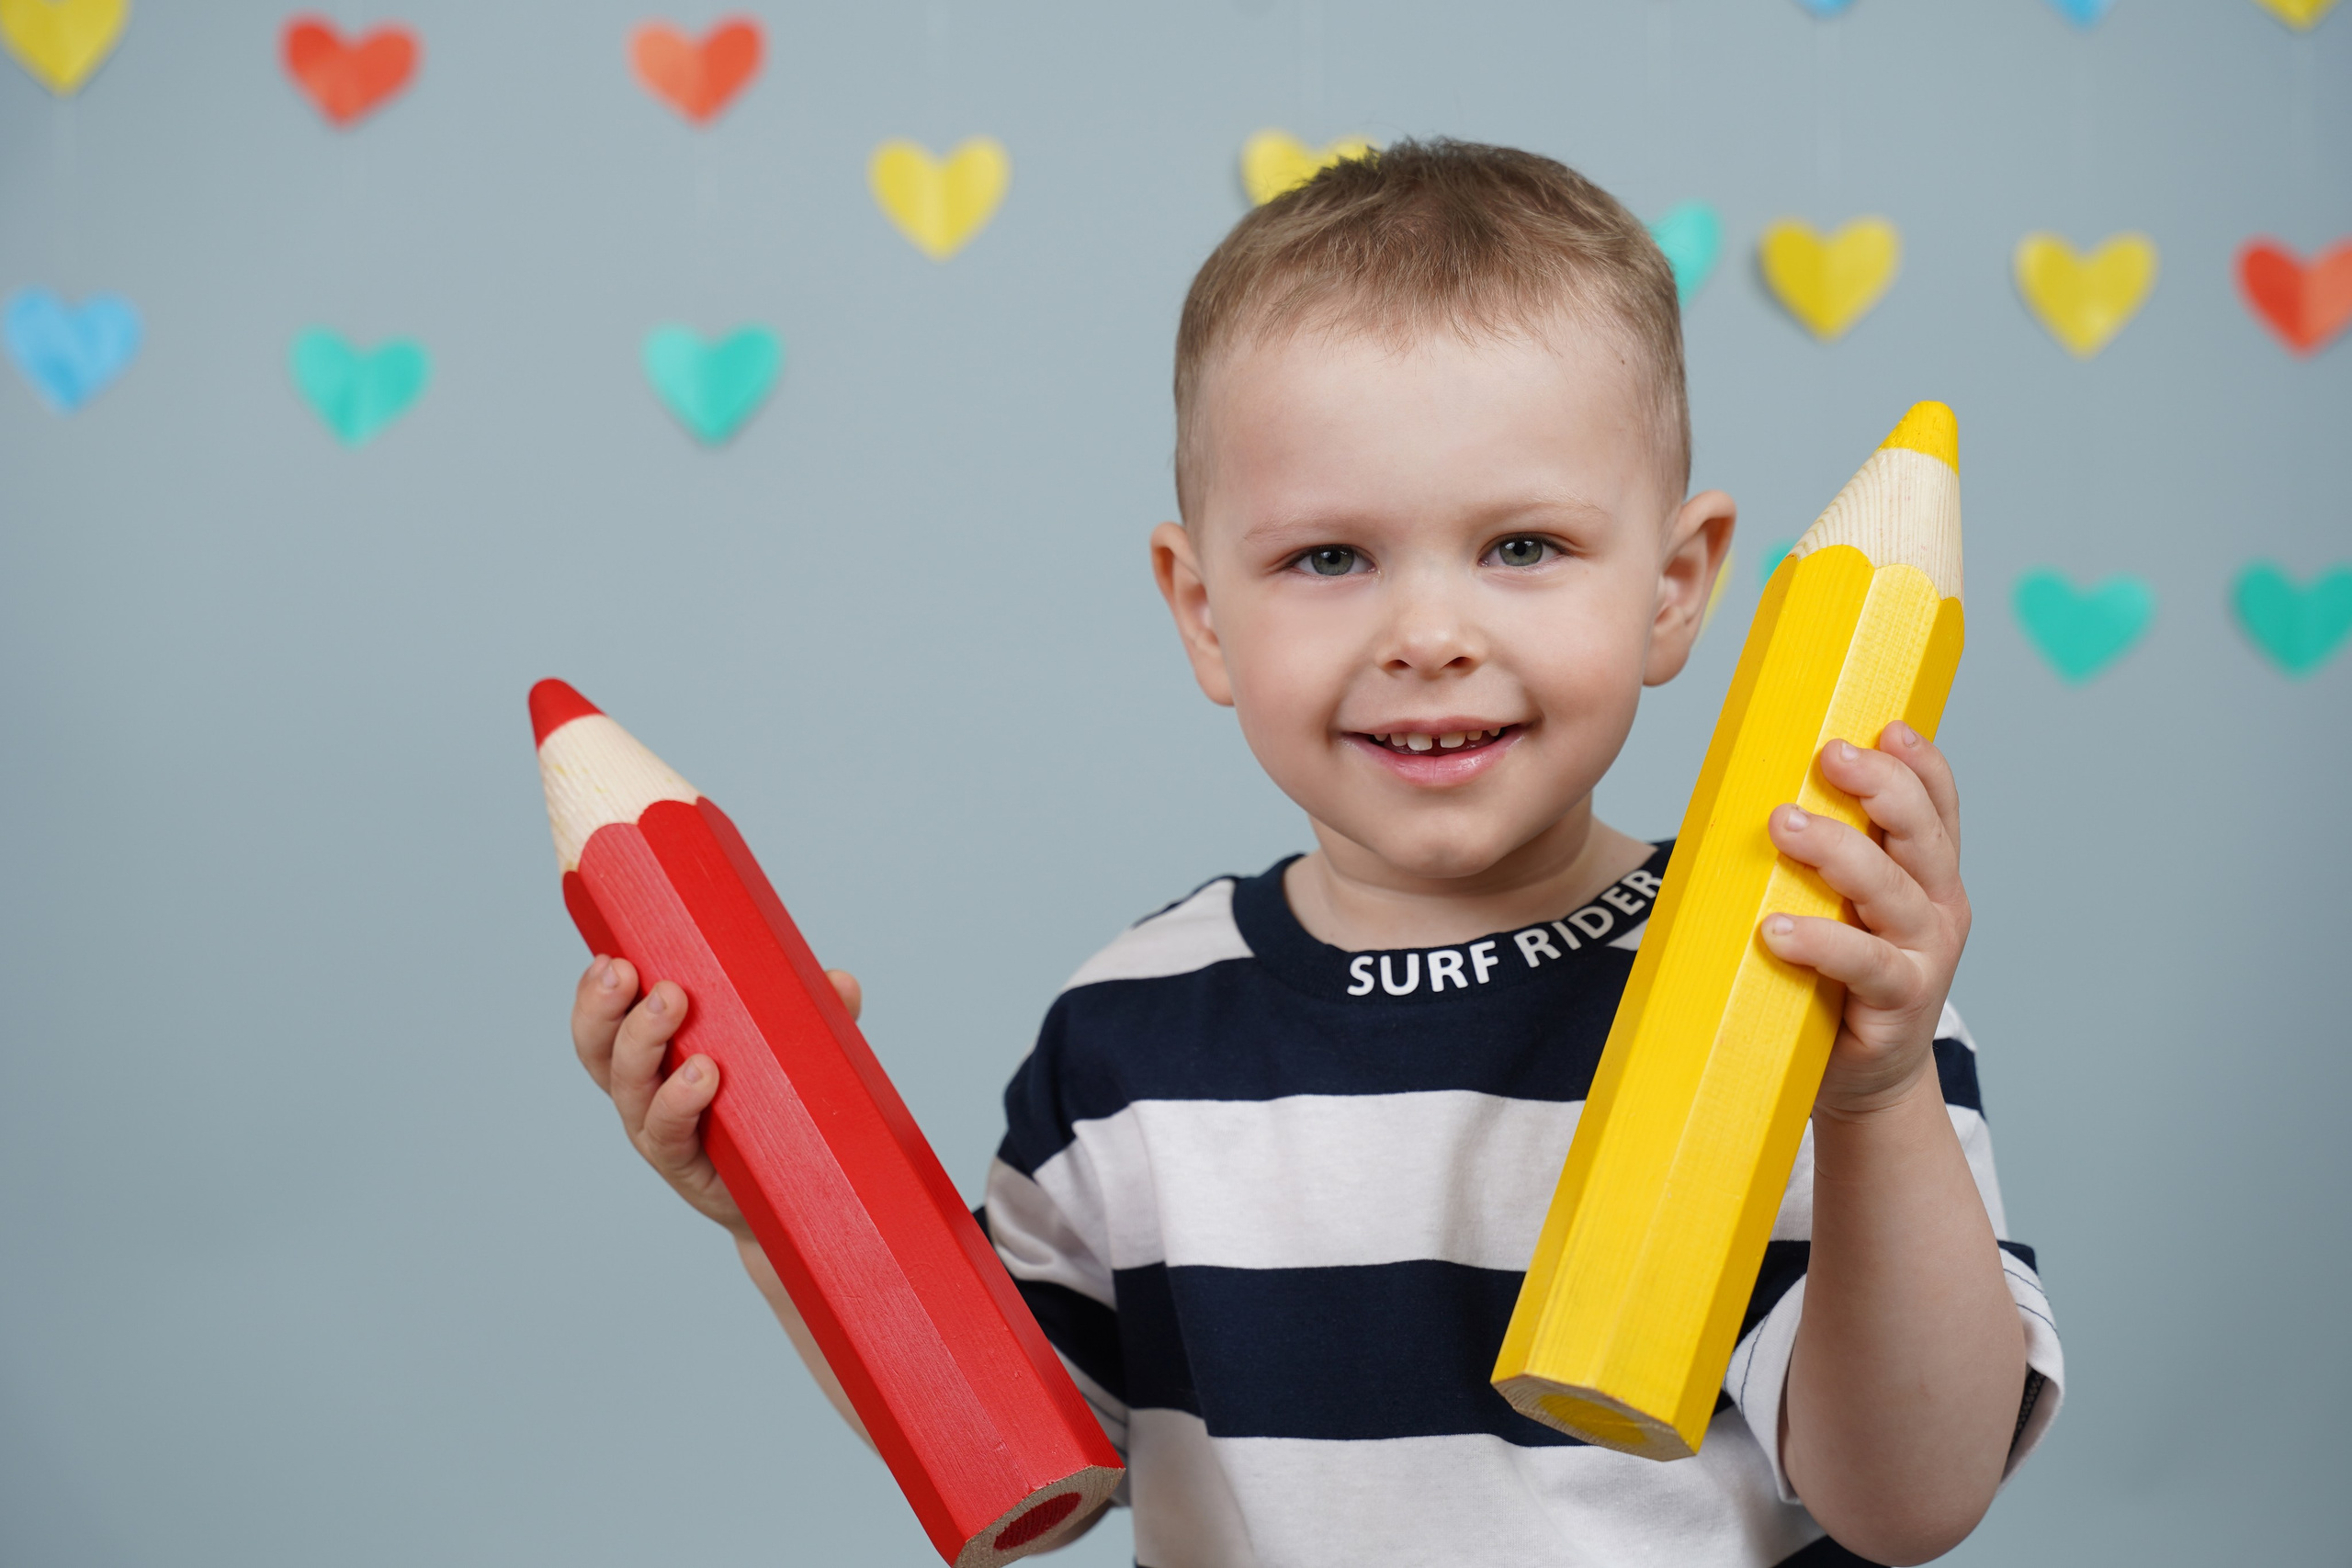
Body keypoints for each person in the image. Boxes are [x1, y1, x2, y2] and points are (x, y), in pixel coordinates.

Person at [566, 141, 2063, 1567]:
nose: (1428, 637)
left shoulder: (1815, 996)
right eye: (1328, 559)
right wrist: (786, 1212)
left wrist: (1875, 1093)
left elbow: (1911, 1501)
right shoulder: (1127, 1039)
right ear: (1204, 609)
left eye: (1523, 547)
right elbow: (1028, 1462)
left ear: (1675, 590)